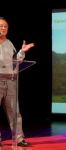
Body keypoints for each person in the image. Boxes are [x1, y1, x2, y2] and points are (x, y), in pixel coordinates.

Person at [0, 17, 34, 147]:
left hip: (11, 82)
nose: (3, 28)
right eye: (0, 26)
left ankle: (19, 138)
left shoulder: (9, 43)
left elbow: (16, 61)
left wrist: (22, 52)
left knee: (15, 113)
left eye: (5, 26)